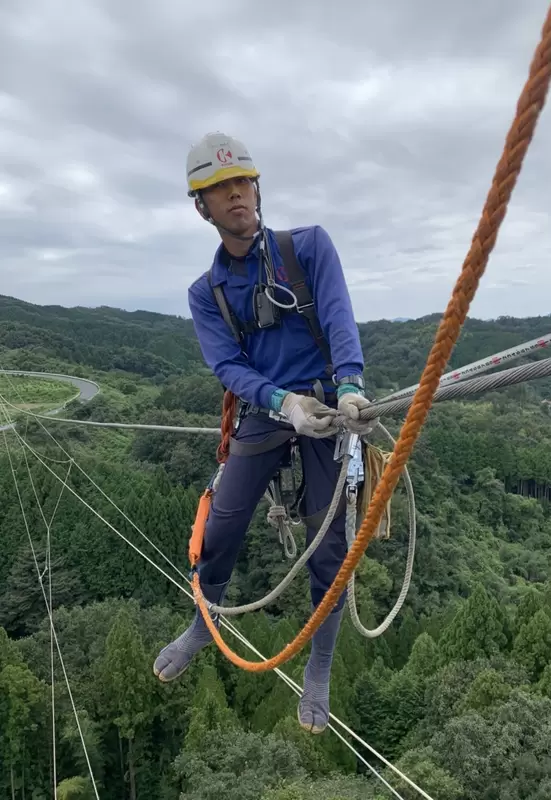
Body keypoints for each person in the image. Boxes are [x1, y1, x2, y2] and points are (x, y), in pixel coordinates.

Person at [153, 132, 375, 734]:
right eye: (219, 190)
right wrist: (282, 402)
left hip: (328, 405)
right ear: (202, 207)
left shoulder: (308, 247)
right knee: (222, 521)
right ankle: (206, 621)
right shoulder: (209, 292)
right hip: (268, 409)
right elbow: (229, 367)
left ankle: (319, 665)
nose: (235, 195)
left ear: (256, 187)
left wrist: (350, 384)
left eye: (242, 182)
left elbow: (337, 314)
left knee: (329, 543)